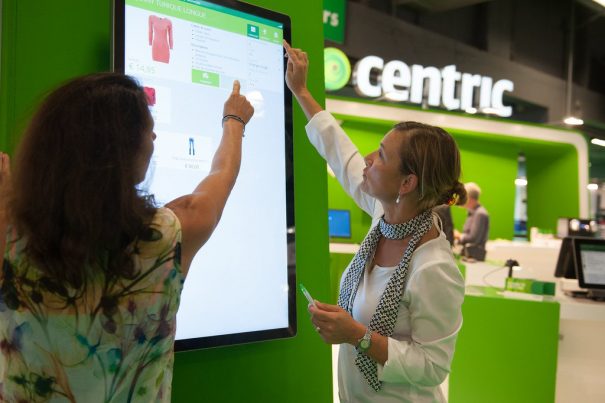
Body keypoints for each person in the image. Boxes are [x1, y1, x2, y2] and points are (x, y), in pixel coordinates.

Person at [0, 73, 253, 402]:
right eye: (147, 129)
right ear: (123, 149)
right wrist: (234, 120)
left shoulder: (9, 237)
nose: (154, 136)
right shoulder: (165, 237)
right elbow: (221, 174)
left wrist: (6, 199)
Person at [283, 41, 466, 402]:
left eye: (381, 155)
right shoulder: (385, 216)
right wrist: (301, 91)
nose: (368, 159)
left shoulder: (434, 267)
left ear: (406, 183)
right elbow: (342, 154)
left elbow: (432, 366)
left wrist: (357, 334)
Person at [454, 182, 489, 261]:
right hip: (469, 256)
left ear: (469, 198)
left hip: (474, 258)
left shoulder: (480, 214)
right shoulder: (473, 212)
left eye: (463, 197)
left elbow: (473, 238)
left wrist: (458, 235)